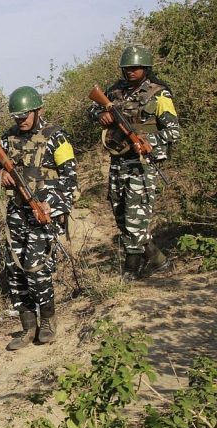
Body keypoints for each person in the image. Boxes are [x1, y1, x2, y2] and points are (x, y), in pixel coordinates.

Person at [0, 86, 78, 351]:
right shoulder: (8, 139)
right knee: (15, 269)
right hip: (17, 213)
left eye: (26, 115)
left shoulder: (57, 137)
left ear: (38, 110)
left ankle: (48, 322)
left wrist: (51, 204)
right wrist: (1, 175)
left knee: (37, 269)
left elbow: (70, 179)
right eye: (17, 116)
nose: (22, 120)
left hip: (43, 214)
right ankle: (28, 327)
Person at [88, 44, 181, 280]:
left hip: (143, 163)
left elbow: (173, 132)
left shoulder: (159, 94)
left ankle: (131, 270)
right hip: (118, 161)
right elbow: (91, 110)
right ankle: (158, 260)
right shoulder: (115, 91)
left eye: (136, 68)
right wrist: (101, 115)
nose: (130, 72)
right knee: (120, 215)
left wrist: (147, 141)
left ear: (146, 68)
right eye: (127, 68)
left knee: (136, 218)